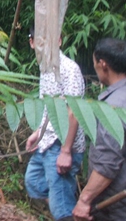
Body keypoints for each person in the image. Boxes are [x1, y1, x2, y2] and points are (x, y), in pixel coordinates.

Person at [24, 27, 86, 221]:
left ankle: (65, 213)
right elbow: (50, 109)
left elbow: (73, 111)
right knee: (34, 182)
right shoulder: (45, 68)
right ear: (32, 43)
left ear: (59, 40)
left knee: (62, 207)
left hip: (61, 145)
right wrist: (38, 133)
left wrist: (66, 151)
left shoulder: (68, 69)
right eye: (40, 41)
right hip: (47, 141)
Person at [73, 38, 126, 221]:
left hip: (115, 206)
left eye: (94, 62)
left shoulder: (113, 106)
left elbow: (108, 161)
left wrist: (84, 199)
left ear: (103, 64)